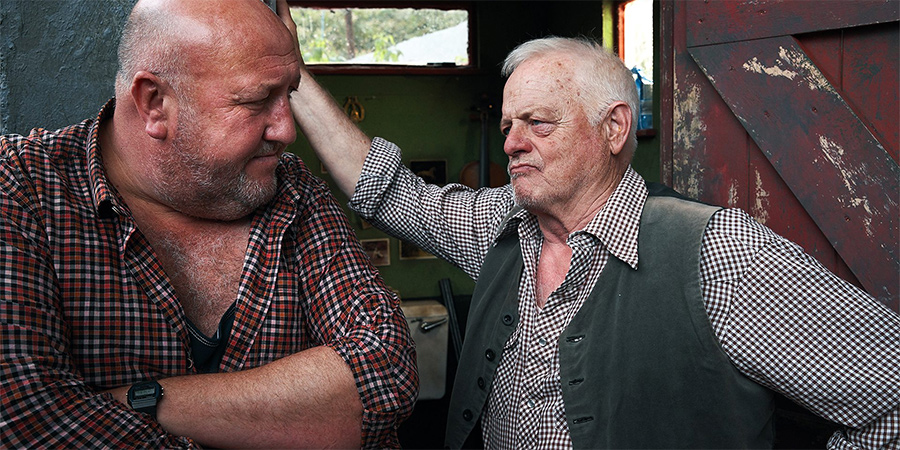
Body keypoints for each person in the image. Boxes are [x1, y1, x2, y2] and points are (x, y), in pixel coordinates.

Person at [288, 34, 899, 449]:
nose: (511, 144)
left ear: (613, 128)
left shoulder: (718, 252)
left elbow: (889, 396)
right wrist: (287, 69)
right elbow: (385, 190)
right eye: (507, 126)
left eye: (538, 124)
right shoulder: (504, 226)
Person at [0, 0, 417, 448]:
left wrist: (138, 401)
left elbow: (386, 372)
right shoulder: (22, 190)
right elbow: (30, 423)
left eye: (289, 95)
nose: (287, 131)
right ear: (154, 103)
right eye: (257, 101)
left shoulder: (294, 192)